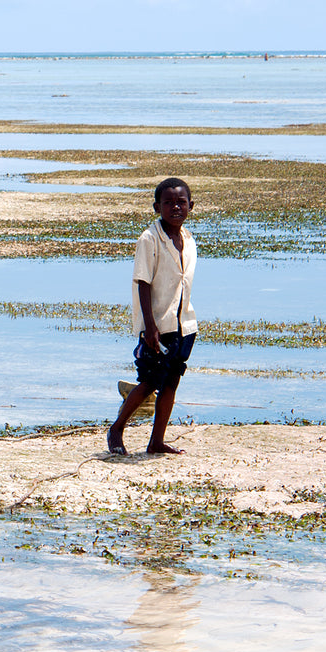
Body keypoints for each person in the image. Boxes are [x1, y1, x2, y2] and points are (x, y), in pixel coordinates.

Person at [108, 178, 198, 456]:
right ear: (157, 206)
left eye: (181, 202)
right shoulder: (150, 239)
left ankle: (156, 441)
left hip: (184, 323)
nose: (175, 207)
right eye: (168, 202)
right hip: (157, 324)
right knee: (149, 381)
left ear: (190, 206)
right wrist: (150, 327)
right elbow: (143, 283)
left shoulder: (188, 239)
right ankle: (117, 429)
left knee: (171, 381)